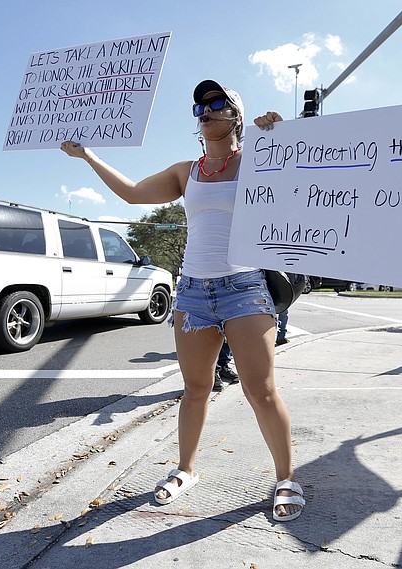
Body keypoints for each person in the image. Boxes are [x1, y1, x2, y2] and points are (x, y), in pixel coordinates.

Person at [60, 80, 304, 521]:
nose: (205, 109)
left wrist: (281, 137)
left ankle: (286, 477)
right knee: (195, 389)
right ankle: (186, 468)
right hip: (192, 292)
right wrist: (88, 156)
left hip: (244, 287)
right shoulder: (185, 171)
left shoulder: (258, 159)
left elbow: (297, 185)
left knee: (261, 391)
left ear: (237, 115)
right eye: (200, 105)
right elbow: (133, 193)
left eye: (217, 103)